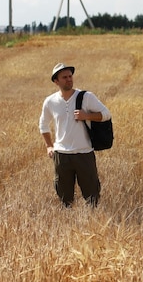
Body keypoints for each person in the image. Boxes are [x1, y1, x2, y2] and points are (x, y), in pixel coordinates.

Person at [39, 63, 112, 207]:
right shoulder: (50, 101)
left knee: (92, 195)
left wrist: (87, 116)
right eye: (64, 77)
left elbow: (106, 115)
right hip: (61, 155)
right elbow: (43, 124)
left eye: (70, 76)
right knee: (64, 196)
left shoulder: (86, 97)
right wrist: (49, 146)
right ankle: (69, 221)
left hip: (84, 153)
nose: (69, 79)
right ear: (56, 81)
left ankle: (91, 221)